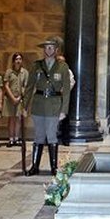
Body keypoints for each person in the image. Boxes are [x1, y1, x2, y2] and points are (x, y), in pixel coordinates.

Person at [24, 37, 71, 176]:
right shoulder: (36, 66)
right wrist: (24, 106)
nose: (48, 50)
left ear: (56, 50)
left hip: (54, 105)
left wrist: (64, 110)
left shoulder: (63, 67)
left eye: (51, 47)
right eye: (46, 47)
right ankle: (34, 167)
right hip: (38, 104)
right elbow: (29, 87)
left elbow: (66, 90)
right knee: (38, 136)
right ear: (43, 50)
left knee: (51, 136)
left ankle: (54, 167)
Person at [2, 52, 28, 147]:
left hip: (19, 98)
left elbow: (25, 86)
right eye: (16, 59)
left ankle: (16, 138)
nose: (18, 61)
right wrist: (12, 98)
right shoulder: (9, 72)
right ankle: (11, 139)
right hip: (10, 98)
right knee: (11, 119)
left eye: (20, 59)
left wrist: (19, 97)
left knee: (18, 119)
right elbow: (6, 85)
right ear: (13, 61)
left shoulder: (24, 72)